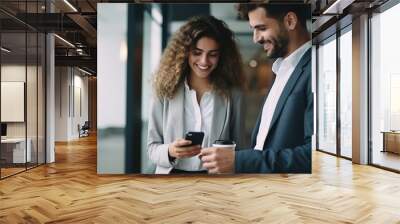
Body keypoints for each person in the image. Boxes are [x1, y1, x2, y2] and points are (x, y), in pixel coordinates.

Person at [200, 3, 313, 174]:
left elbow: (313, 156)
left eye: (261, 28)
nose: (256, 38)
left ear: (290, 21)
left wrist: (240, 161)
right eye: (254, 29)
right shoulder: (281, 70)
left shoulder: (316, 68)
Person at [147, 16, 245, 174]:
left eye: (212, 54)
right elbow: (152, 149)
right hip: (171, 180)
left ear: (222, 56)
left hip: (215, 182)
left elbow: (239, 149)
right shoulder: (164, 89)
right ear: (184, 53)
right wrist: (170, 151)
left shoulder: (233, 94)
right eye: (197, 53)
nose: (204, 61)